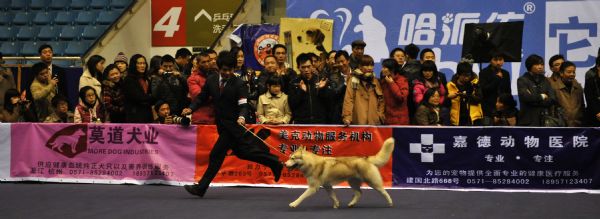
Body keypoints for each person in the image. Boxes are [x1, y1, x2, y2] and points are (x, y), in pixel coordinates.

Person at [182, 51, 283, 198]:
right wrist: (190, 108)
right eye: (224, 70)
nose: (228, 72)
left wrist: (242, 117)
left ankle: (201, 188)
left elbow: (243, 105)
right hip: (222, 126)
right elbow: (201, 98)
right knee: (243, 153)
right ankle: (274, 163)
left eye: (231, 69)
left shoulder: (239, 84)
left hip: (234, 126)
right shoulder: (211, 80)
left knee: (216, 154)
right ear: (219, 67)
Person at [342, 54, 385, 125]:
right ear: (360, 66)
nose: (369, 68)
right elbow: (349, 100)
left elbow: (381, 100)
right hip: (358, 119)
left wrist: (380, 115)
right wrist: (347, 117)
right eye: (366, 65)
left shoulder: (375, 80)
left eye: (371, 65)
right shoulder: (353, 79)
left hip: (374, 121)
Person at [517, 54, 558, 126]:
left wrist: (534, 101)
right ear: (530, 66)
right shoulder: (522, 80)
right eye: (537, 64)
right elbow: (526, 98)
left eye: (542, 64)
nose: (540, 67)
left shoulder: (545, 80)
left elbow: (552, 99)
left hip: (545, 120)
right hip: (528, 121)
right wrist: (542, 97)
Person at [288, 53, 328, 124]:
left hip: (319, 122)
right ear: (298, 67)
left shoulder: (320, 80)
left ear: (312, 66)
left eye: (308, 66)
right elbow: (292, 104)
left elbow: (328, 102)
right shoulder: (294, 82)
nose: (306, 70)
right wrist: (301, 91)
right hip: (301, 123)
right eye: (303, 67)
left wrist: (322, 89)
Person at [548, 61, 584, 127]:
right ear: (561, 73)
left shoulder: (578, 87)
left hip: (577, 126)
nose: (572, 74)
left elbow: (582, 106)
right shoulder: (554, 87)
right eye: (569, 72)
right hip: (559, 126)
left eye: (574, 72)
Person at [479, 51, 511, 122]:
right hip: (488, 110)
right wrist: (497, 79)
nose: (498, 62)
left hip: (503, 110)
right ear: (490, 61)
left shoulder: (506, 73)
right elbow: (484, 90)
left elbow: (508, 92)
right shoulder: (484, 73)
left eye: (500, 60)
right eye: (495, 60)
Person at [122, 54, 154, 123]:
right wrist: (151, 97)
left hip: (147, 114)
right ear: (134, 65)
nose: (142, 66)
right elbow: (138, 97)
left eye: (144, 63)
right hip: (134, 116)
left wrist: (150, 97)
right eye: (139, 63)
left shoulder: (146, 79)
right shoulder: (129, 80)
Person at [187, 52, 215, 124]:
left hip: (215, 117)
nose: (207, 64)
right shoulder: (192, 79)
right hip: (201, 118)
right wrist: (217, 95)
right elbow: (200, 97)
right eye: (203, 62)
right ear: (198, 64)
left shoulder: (215, 75)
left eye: (208, 61)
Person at [380, 59, 409, 125]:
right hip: (386, 120)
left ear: (392, 69)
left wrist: (392, 83)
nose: (382, 70)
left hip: (400, 121)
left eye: (384, 67)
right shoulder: (383, 81)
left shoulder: (402, 80)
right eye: (382, 67)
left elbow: (401, 97)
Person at [585, 56, 600, 126]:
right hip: (593, 118)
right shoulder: (591, 81)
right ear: (598, 67)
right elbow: (590, 99)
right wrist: (597, 112)